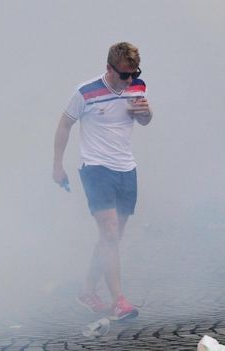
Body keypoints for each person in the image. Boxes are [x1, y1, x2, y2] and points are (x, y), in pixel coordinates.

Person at [52, 42, 153, 321]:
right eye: (124, 75)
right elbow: (64, 125)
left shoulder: (137, 86)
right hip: (95, 168)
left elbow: (145, 120)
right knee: (109, 233)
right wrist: (57, 165)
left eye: (134, 73)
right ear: (109, 68)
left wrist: (145, 112)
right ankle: (119, 301)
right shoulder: (86, 92)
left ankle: (86, 290)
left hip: (126, 168)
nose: (129, 80)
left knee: (112, 237)